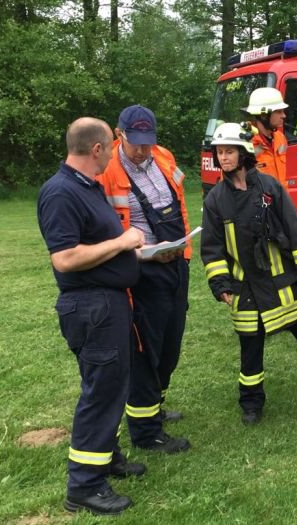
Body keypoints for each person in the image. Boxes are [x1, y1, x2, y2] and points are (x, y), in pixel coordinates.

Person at [37, 117, 146, 515]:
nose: (114, 155)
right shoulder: (61, 193)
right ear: (97, 148)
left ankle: (106, 457)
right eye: (111, 148)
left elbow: (95, 245)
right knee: (100, 391)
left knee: (112, 384)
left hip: (108, 302)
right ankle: (84, 485)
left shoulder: (88, 188)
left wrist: (129, 252)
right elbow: (65, 258)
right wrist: (122, 241)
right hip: (91, 306)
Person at [201, 122, 297, 424]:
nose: (223, 158)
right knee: (250, 347)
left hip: (284, 280)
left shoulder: (270, 187)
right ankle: (251, 403)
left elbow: (294, 227)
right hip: (245, 288)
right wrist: (220, 282)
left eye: (229, 151)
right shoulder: (215, 200)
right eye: (219, 152)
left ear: (243, 153)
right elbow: (211, 247)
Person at [97, 105, 191, 454]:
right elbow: (101, 226)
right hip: (140, 269)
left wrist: (183, 249)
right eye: (135, 143)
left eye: (148, 142)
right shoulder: (106, 171)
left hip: (175, 263)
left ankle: (156, 406)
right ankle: (146, 432)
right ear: (119, 135)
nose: (142, 150)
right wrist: (139, 251)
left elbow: (179, 203)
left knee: (170, 343)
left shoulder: (164, 157)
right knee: (145, 348)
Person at [243, 87, 288, 188]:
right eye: (279, 112)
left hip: (280, 200)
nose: (284, 115)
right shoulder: (245, 142)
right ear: (264, 115)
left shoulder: (280, 138)